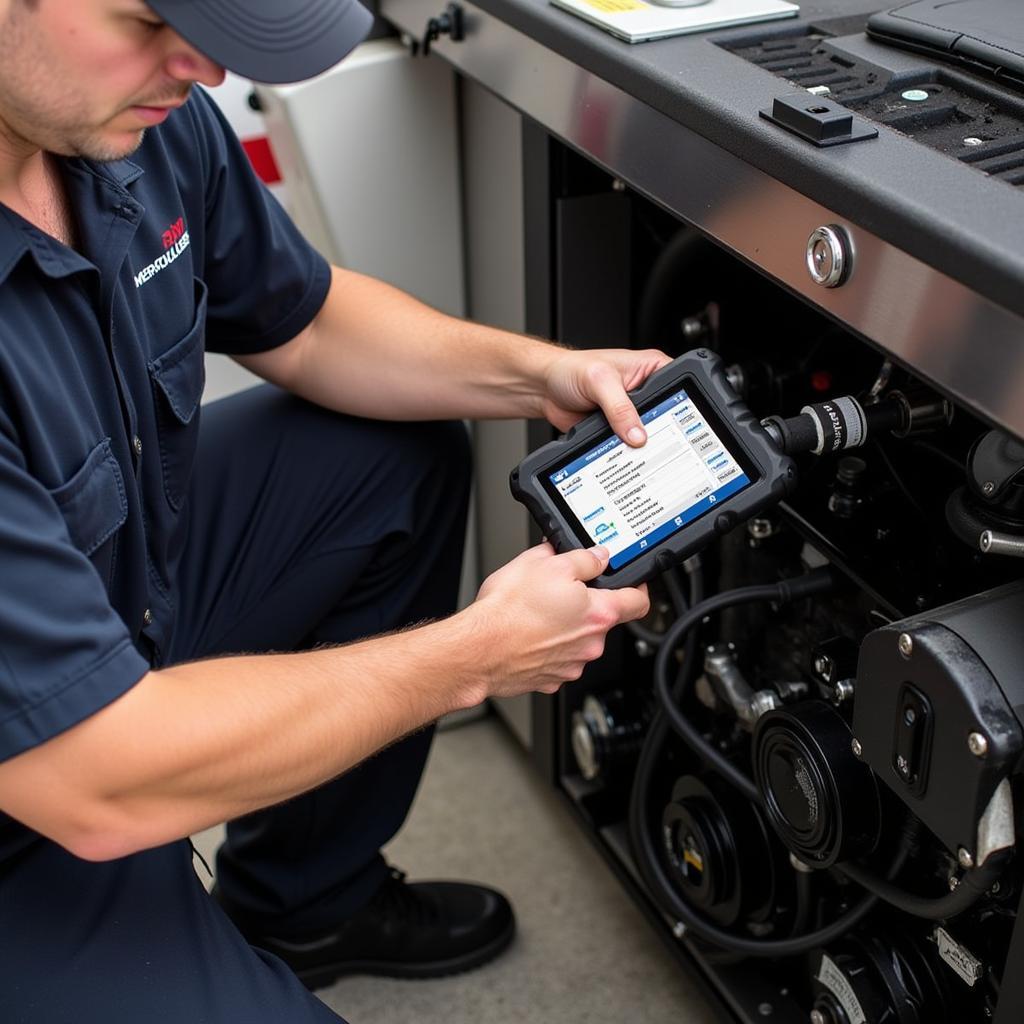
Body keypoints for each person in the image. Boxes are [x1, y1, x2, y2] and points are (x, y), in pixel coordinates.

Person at [0, 1, 667, 1020]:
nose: (204, 71)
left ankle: (307, 900)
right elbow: (93, 779)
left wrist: (540, 373)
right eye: (146, 18)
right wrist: (474, 656)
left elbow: (304, 323)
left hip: (96, 618)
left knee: (389, 454)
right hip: (53, 783)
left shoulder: (128, 116)